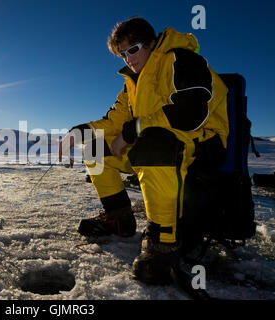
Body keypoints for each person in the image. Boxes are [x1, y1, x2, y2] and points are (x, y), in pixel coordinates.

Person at [59, 17, 229, 285]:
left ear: (151, 42)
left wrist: (131, 132)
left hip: (201, 143)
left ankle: (163, 244)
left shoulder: (180, 60)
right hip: (155, 142)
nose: (128, 59)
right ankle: (120, 219)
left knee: (152, 143)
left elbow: (191, 113)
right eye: (123, 54)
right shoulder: (132, 83)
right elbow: (114, 120)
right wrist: (80, 132)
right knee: (94, 149)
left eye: (133, 49)